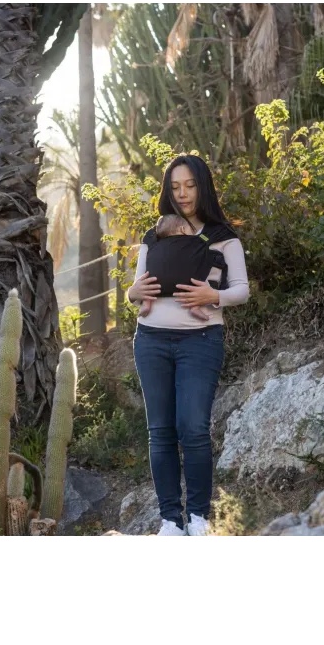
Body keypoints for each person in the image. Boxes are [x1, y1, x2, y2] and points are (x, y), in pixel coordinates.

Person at [126, 155, 249, 538]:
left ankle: (198, 518)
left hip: (201, 341)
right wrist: (133, 292)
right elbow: (135, 290)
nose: (182, 193)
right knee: (160, 431)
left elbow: (242, 290)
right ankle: (170, 521)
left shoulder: (223, 237)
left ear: (203, 186)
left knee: (194, 428)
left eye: (190, 185)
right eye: (175, 186)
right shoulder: (154, 235)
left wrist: (213, 296)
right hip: (151, 341)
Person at [138, 213, 227, 323]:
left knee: (148, 282)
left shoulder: (154, 244)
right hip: (186, 281)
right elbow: (206, 240)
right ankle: (194, 307)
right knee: (198, 280)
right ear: (182, 229)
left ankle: (146, 304)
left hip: (156, 283)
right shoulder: (195, 240)